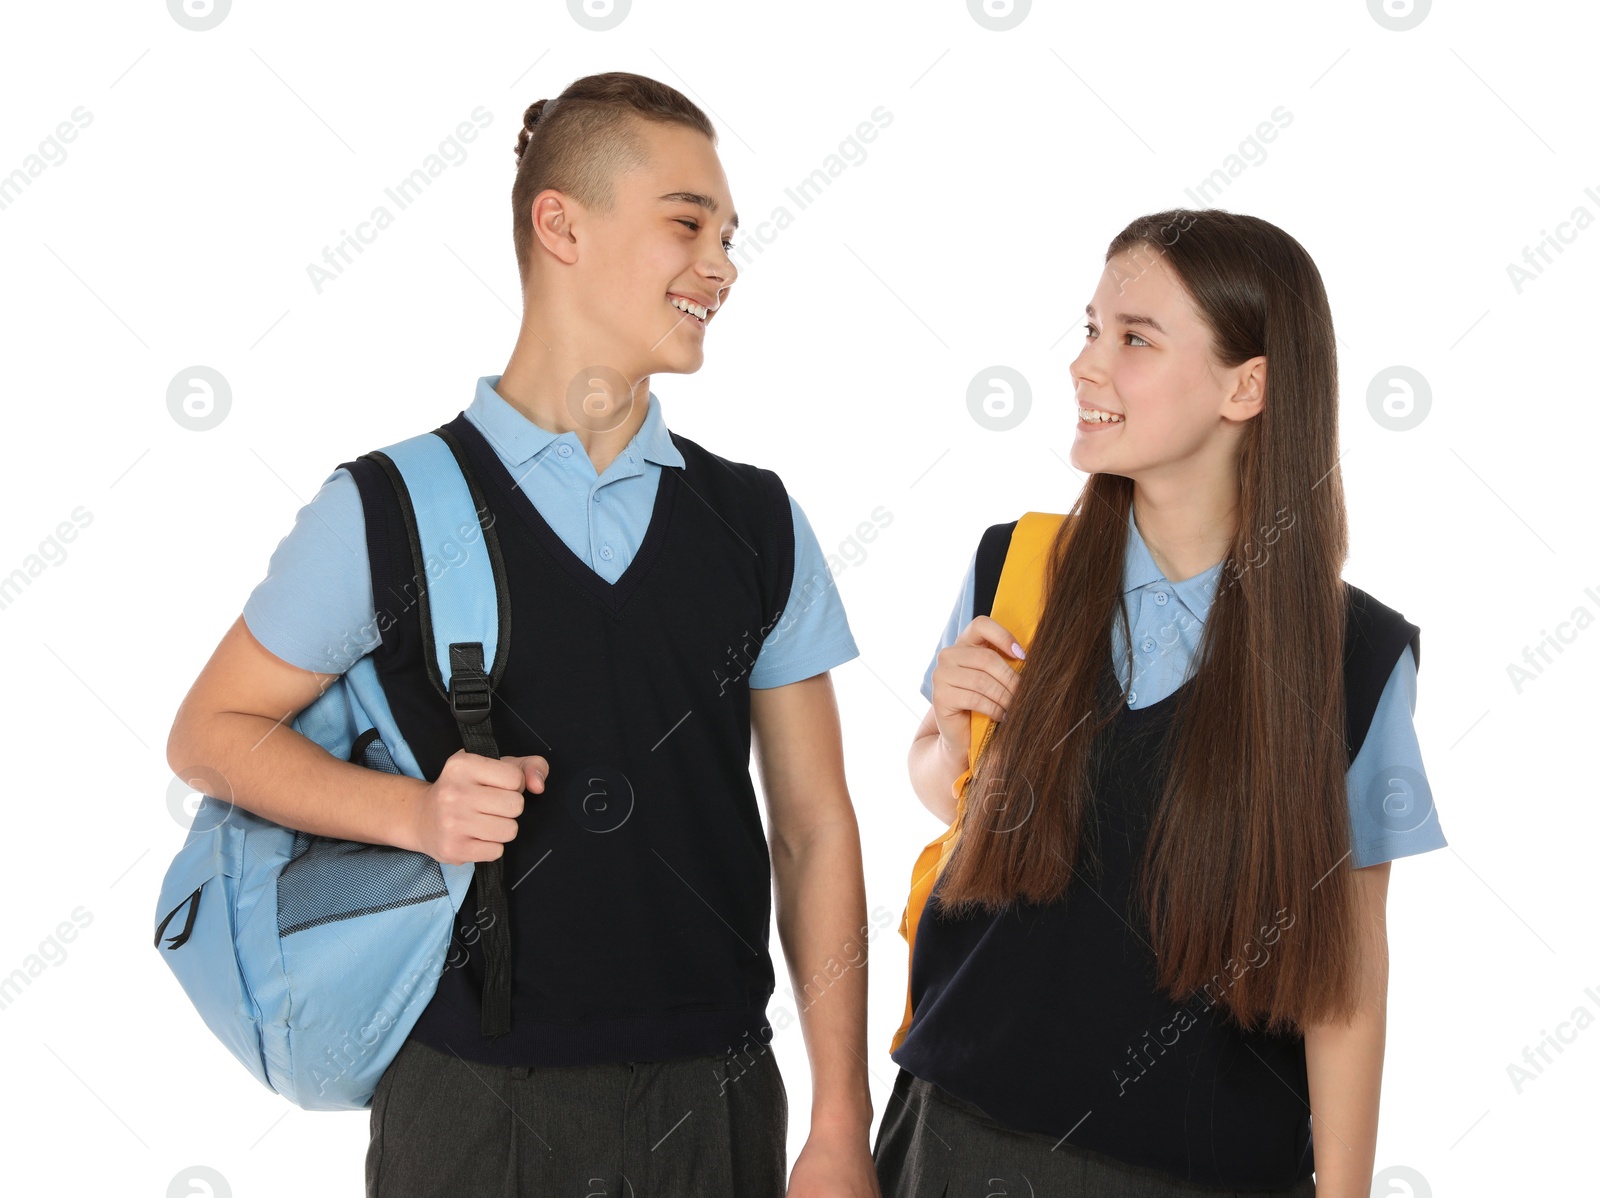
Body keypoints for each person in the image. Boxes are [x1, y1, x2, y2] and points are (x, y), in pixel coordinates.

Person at [165, 71, 882, 1198]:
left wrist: (841, 1120)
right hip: (471, 1098)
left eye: (730, 237)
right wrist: (412, 812)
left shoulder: (755, 523)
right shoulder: (384, 508)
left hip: (719, 1097)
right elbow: (210, 733)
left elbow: (813, 826)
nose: (722, 266)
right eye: (687, 224)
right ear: (562, 225)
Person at [873, 208, 1447, 1197]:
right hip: (956, 1139)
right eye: (1090, 330)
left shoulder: (1356, 659)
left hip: (1199, 1171)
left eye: (1132, 338)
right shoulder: (1016, 566)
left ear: (1246, 385)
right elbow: (959, 799)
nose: (1085, 367)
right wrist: (947, 740)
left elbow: (1343, 978)